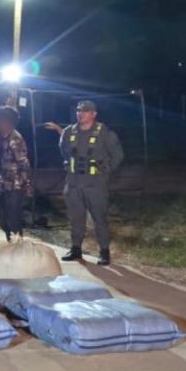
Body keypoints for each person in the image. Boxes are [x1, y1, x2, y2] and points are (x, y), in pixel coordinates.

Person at [59, 100, 124, 266]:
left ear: (94, 114)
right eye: (79, 110)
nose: (81, 114)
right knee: (76, 219)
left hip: (96, 185)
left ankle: (104, 252)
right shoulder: (68, 132)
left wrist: (106, 171)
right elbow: (63, 151)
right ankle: (76, 249)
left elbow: (118, 155)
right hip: (73, 183)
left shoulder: (104, 133)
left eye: (85, 111)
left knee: (99, 219)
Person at [0, 106, 31, 241]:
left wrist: (26, 183)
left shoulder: (15, 139)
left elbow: (24, 163)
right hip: (5, 184)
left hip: (16, 185)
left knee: (13, 219)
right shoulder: (4, 136)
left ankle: (17, 246)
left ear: (7, 121)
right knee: (3, 218)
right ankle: (10, 243)